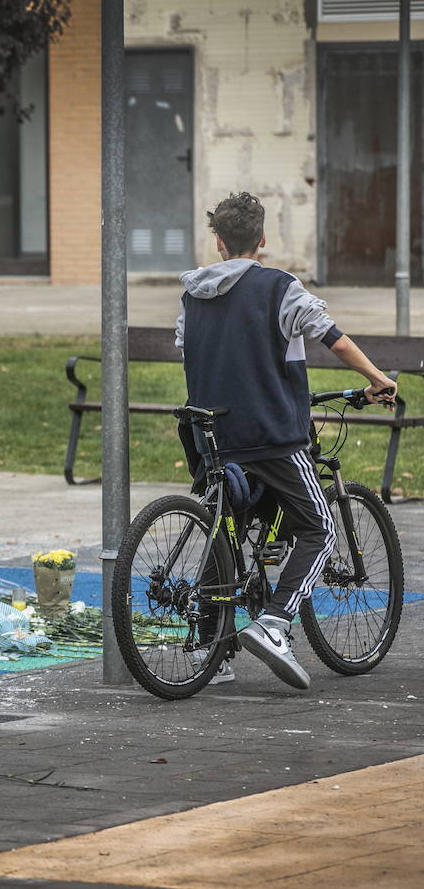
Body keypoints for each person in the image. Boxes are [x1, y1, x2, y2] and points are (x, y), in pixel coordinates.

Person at [175, 192, 396, 690]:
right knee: (320, 528)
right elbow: (331, 337)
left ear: (218, 241)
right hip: (271, 433)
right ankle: (275, 624)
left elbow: (190, 350)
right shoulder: (279, 287)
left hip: (211, 434)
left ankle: (212, 651)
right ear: (263, 239)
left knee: (224, 531)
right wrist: (376, 378)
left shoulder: (192, 295)